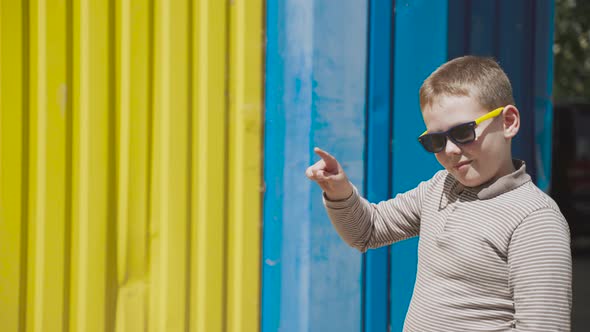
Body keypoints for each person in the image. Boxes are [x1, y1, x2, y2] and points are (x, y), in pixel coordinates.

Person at [305, 56, 572, 331]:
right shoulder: (439, 188)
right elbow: (367, 230)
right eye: (436, 140)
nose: (451, 150)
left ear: (508, 122)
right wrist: (339, 191)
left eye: (463, 132)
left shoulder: (535, 220)